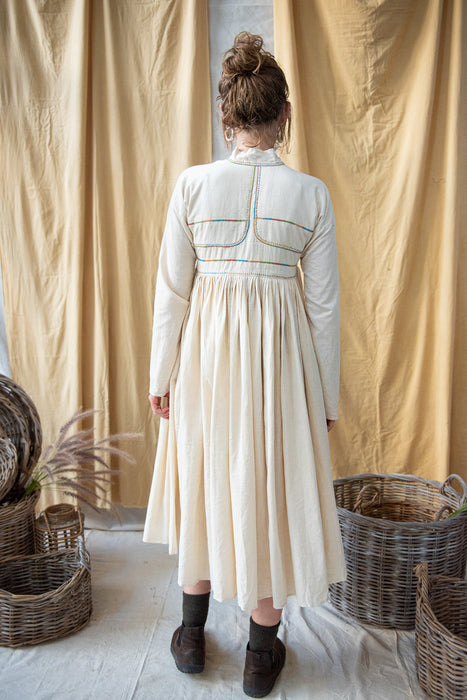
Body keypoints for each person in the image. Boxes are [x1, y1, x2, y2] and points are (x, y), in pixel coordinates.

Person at [144, 31, 346, 698]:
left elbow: (171, 294)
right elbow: (323, 309)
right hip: (281, 369)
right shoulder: (312, 195)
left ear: (225, 114)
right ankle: (261, 655)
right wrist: (324, 399)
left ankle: (190, 635)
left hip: (205, 363)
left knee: (205, 478)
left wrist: (160, 377)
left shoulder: (192, 185)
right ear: (284, 114)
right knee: (271, 493)